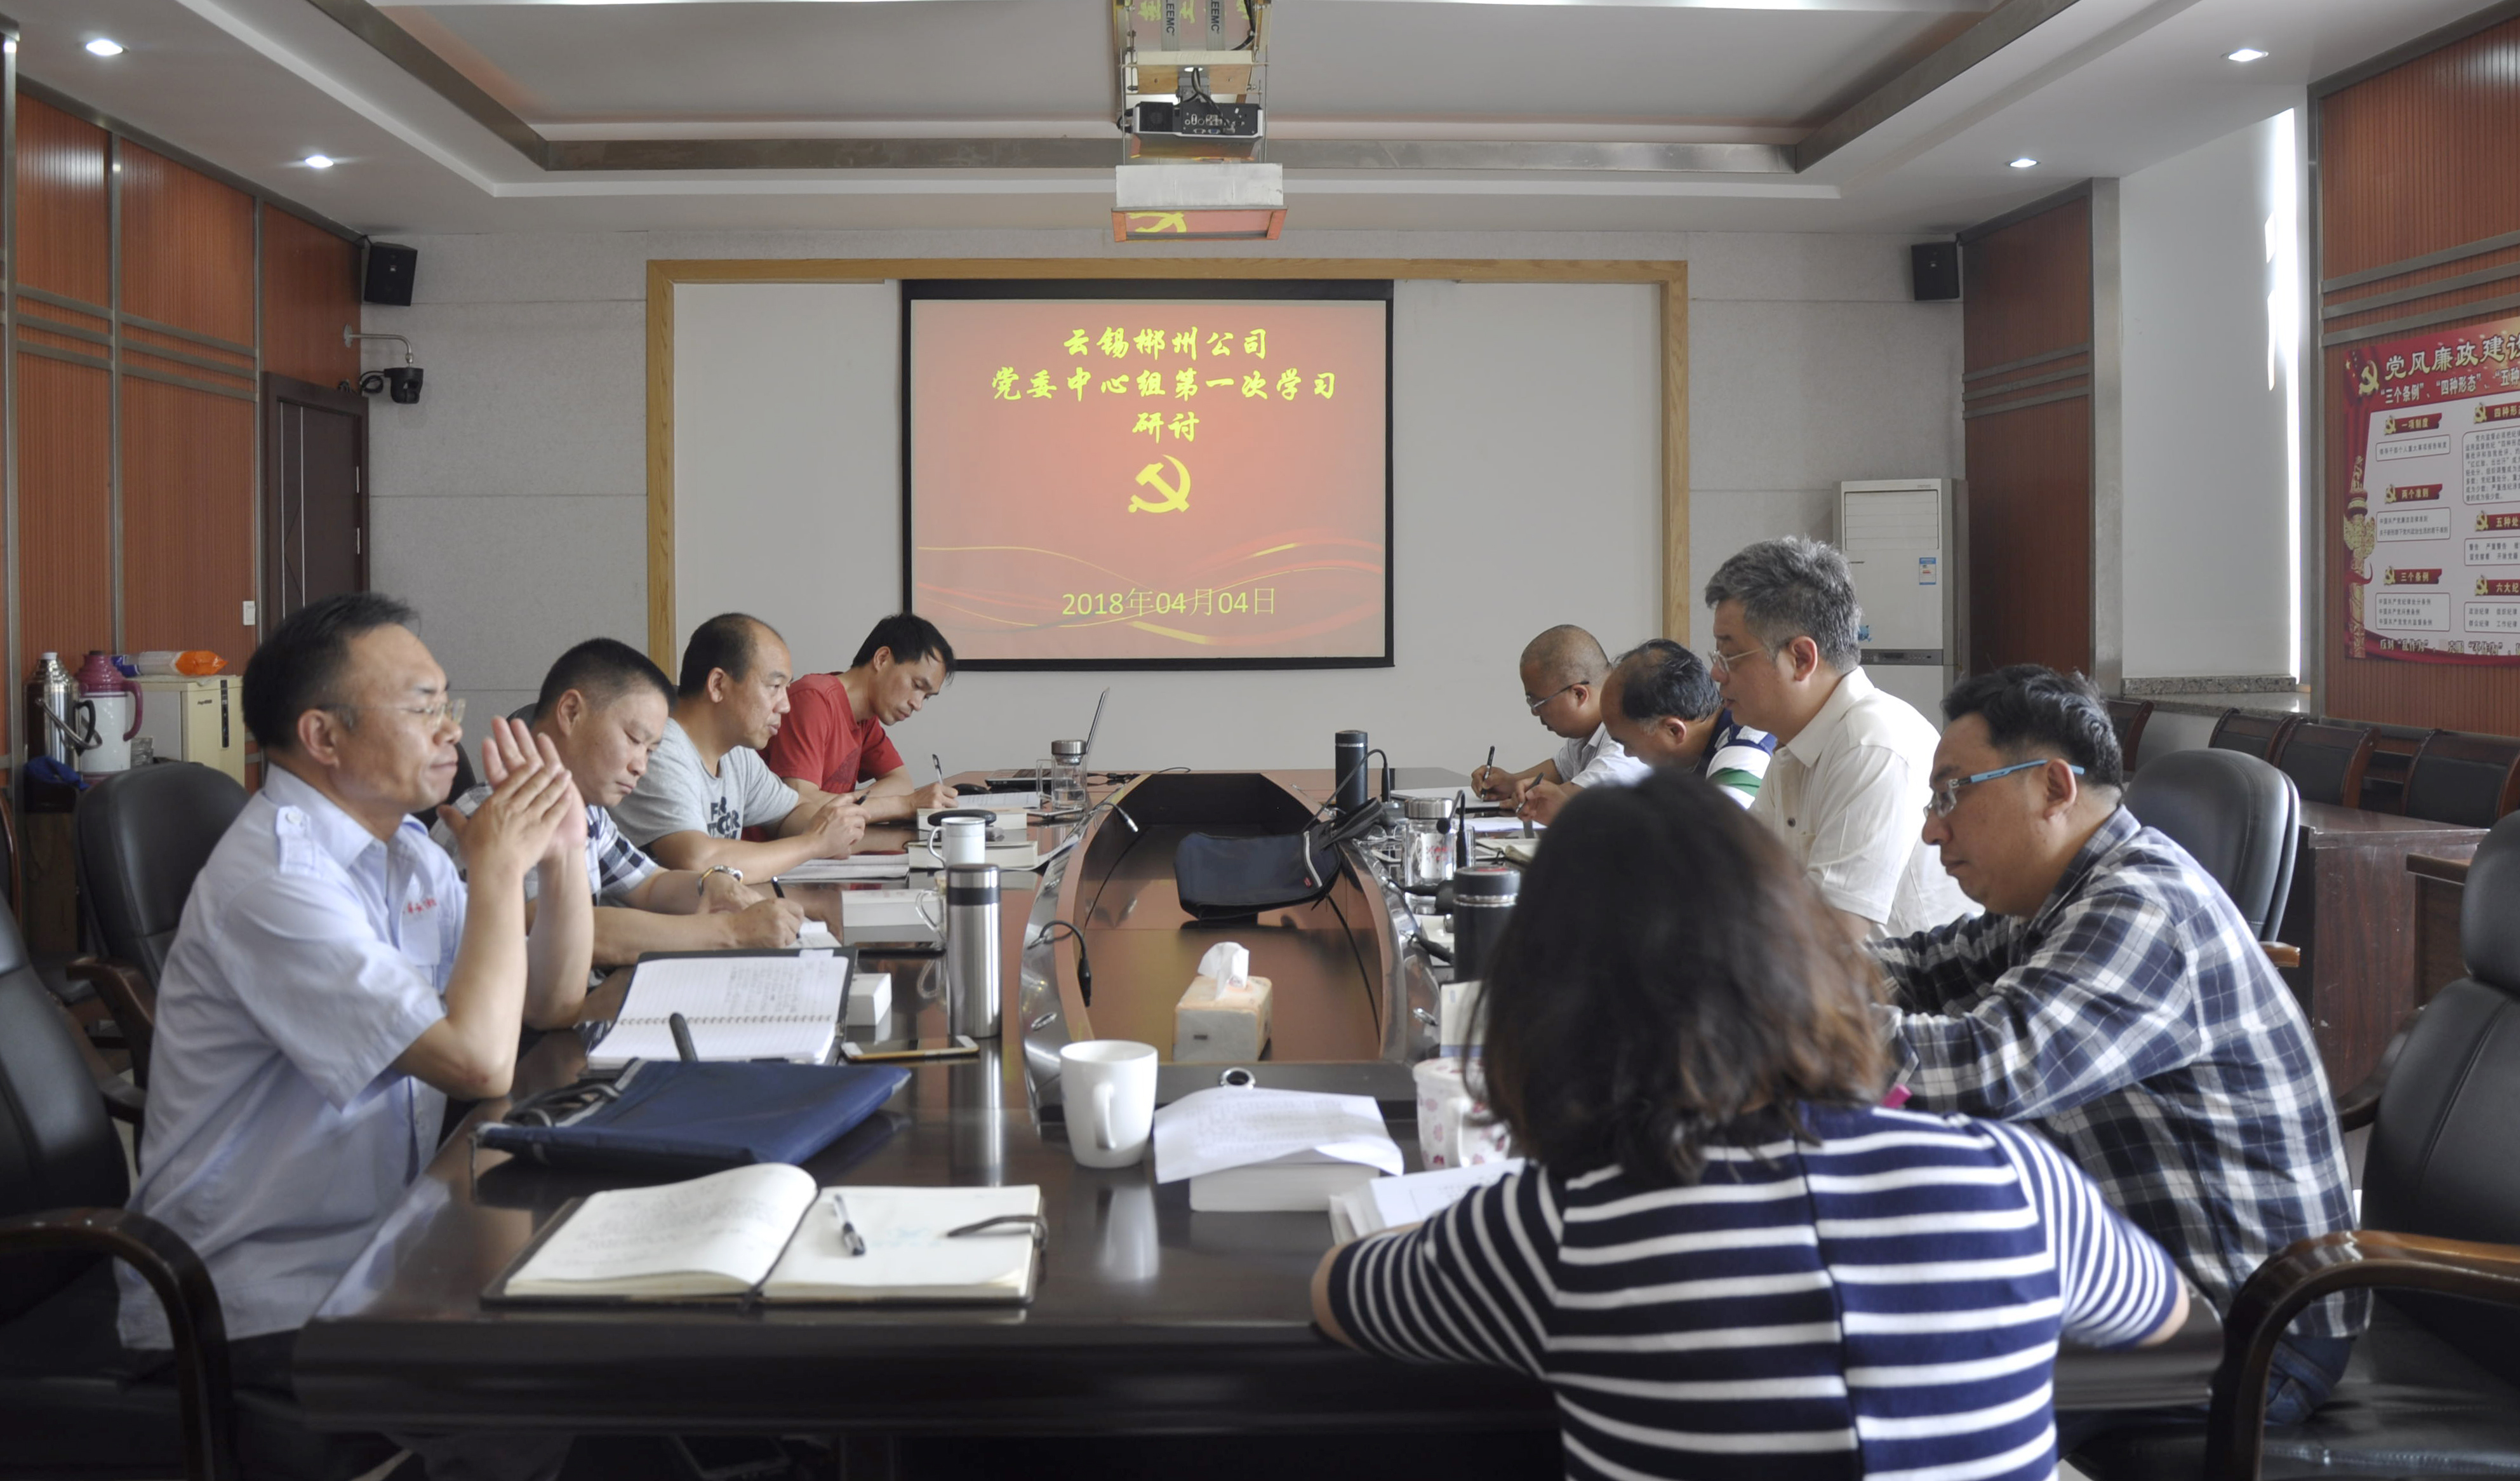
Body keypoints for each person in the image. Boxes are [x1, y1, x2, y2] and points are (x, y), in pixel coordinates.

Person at [1312, 772, 2189, 1481]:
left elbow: (1339, 1292)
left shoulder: (1560, 1223)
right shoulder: (2011, 1177)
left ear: (1547, 999)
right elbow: (2164, 1311)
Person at [119, 592, 589, 1480]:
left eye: (448, 702)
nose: (450, 729)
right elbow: (479, 1060)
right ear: (324, 736)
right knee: (545, 1372)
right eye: (422, 706)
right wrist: (496, 870)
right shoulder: (276, 876)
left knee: (582, 1325)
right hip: (252, 1294)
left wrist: (563, 856)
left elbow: (550, 1001)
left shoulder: (404, 852)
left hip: (378, 1246)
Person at [1876, 664, 2364, 1440]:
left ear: (2053, 786)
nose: (1934, 830)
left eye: (1952, 794)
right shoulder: (2064, 893)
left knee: (1900, 1362)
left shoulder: (2142, 905)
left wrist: (1773, 1026)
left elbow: (1985, 1067)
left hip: (2250, 1329)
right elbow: (1922, 968)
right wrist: (1777, 968)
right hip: (2151, 1282)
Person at [431, 638, 808, 970]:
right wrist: (730, 932)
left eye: (651, 750)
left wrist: (713, 883)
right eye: (634, 740)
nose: (641, 766)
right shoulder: (497, 814)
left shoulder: (589, 811)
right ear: (571, 712)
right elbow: (560, 928)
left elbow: (651, 884)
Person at [1703, 536, 1973, 939]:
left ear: (1801, 659)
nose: (1716, 673)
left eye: (1729, 656)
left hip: (1904, 978)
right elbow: (1742, 879)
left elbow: (1831, 935)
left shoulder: (1873, 744)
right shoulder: (1794, 747)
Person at [610, 612, 869, 878]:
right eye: (775, 686)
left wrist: (829, 831)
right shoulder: (660, 749)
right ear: (718, 685)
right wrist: (814, 844)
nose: (786, 705)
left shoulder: (736, 752)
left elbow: (791, 812)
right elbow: (697, 861)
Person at [760, 613, 961, 824]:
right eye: (917, 686)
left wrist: (853, 804)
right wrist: (903, 805)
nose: (918, 704)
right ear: (882, 659)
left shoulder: (866, 719)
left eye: (926, 697)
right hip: (771, 843)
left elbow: (902, 783)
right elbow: (800, 806)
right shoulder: (813, 699)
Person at [1468, 624, 1649, 826]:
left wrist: (1526, 798)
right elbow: (1560, 769)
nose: (1534, 712)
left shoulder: (1626, 738)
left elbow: (1577, 800)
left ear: (1579, 694)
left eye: (1538, 703)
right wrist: (1511, 783)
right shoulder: (1590, 727)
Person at [1601, 637, 1775, 808]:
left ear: (1674, 731)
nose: (1627, 754)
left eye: (1628, 744)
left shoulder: (1746, 751)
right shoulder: (1686, 760)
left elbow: (1721, 827)